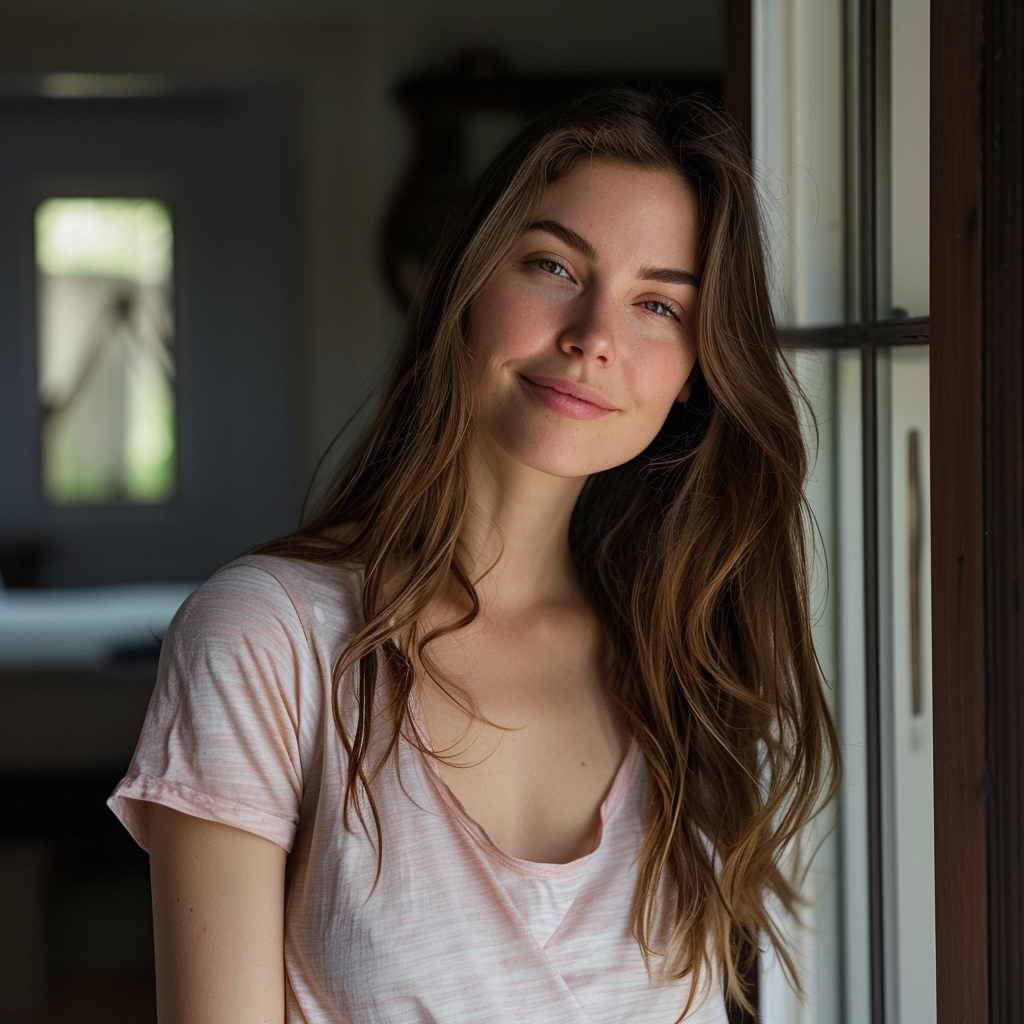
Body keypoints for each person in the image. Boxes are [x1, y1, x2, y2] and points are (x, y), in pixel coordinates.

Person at [109, 87, 840, 1024]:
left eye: (657, 304)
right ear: (467, 283)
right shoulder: (270, 634)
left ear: (698, 369)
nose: (594, 339)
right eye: (552, 265)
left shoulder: (683, 667)